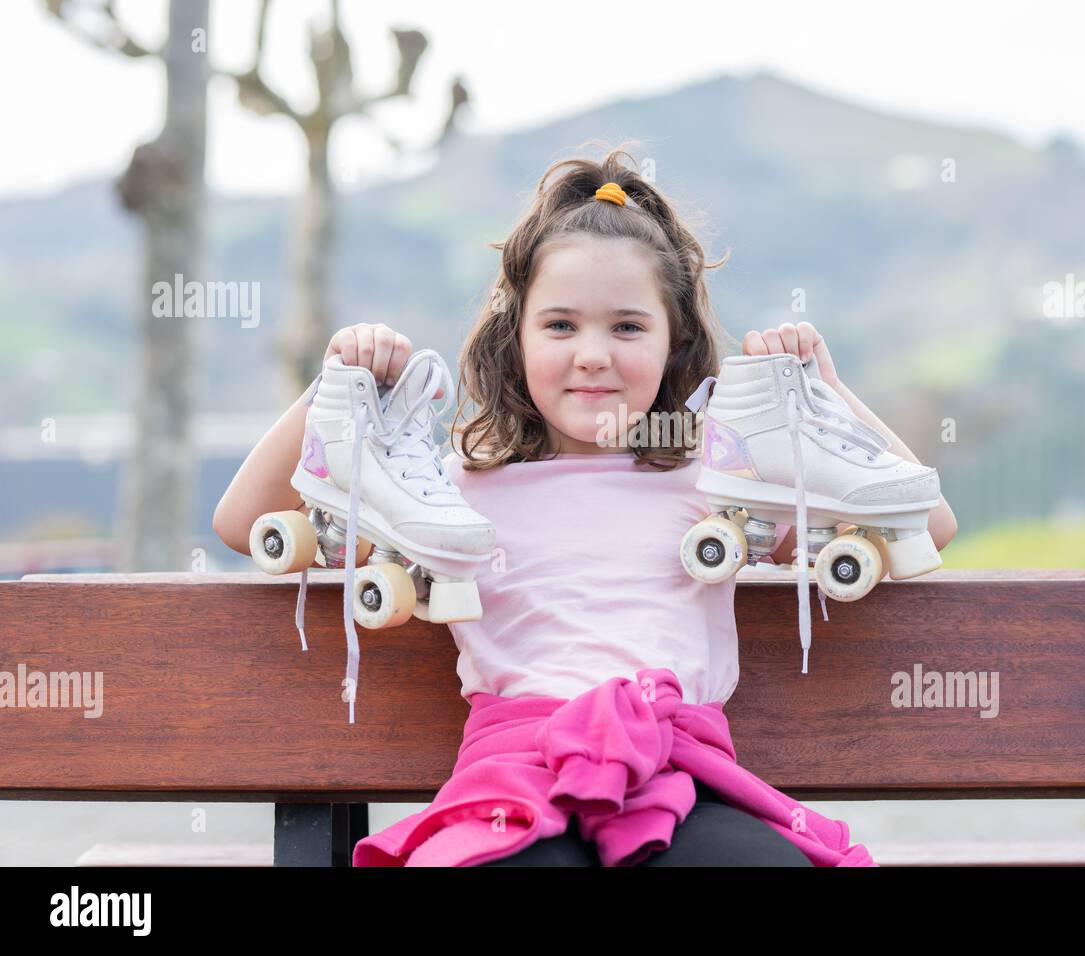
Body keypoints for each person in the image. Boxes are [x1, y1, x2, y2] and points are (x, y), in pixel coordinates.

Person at [213, 143, 957, 866]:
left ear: (676, 342)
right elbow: (242, 524)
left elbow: (929, 524)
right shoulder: (445, 491)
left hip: (681, 778)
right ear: (516, 338)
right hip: (513, 782)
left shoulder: (723, 485)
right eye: (561, 325)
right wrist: (336, 389)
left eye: (627, 326)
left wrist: (822, 398)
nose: (593, 354)